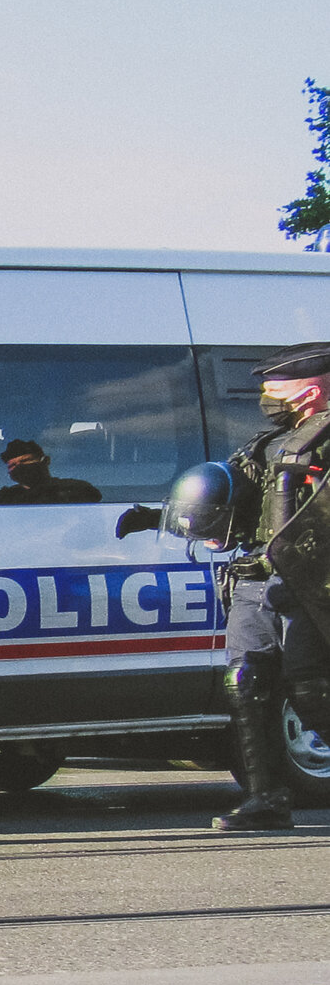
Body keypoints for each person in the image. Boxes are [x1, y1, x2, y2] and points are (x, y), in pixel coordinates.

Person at [184, 342, 330, 831]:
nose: (266, 397)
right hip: (255, 579)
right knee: (245, 682)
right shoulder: (269, 442)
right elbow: (233, 491)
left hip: (313, 584)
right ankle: (265, 798)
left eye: (275, 388)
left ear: (309, 389)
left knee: (311, 689)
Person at [0, 439, 101, 506]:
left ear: (45, 461)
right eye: (12, 465)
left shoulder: (77, 488)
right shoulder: (1, 498)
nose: (19, 467)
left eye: (25, 461)